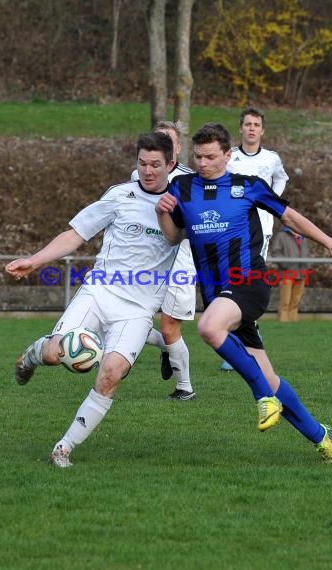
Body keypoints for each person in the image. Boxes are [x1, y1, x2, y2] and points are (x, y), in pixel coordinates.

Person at [156, 122, 332, 464]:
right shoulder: (182, 188)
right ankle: (321, 438)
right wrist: (162, 215)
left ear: (228, 155)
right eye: (198, 156)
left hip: (249, 281)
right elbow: (174, 237)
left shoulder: (248, 186)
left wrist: (330, 243)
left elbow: (290, 217)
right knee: (270, 375)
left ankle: (262, 396)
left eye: (211, 157)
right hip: (217, 293)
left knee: (208, 328)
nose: (202, 163)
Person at [5, 132, 180, 468]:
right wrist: (36, 260)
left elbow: (187, 238)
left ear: (171, 164)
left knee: (111, 373)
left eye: (156, 164)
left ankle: (64, 448)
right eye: (142, 163)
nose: (148, 170)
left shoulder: (180, 204)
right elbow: (76, 234)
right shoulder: (119, 196)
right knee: (56, 354)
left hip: (139, 308)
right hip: (99, 292)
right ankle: (33, 355)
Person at [220, 106, 289, 371]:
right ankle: (237, 339)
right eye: (247, 124)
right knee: (229, 278)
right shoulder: (229, 157)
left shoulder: (271, 159)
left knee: (249, 279)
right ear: (240, 128)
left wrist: (271, 201)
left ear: (262, 130)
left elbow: (282, 179)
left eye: (256, 125)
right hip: (231, 227)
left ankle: (243, 340)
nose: (251, 128)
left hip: (262, 227)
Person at [131, 121, 196, 400]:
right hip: (145, 261)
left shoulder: (192, 181)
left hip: (181, 260)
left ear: (177, 149)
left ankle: (185, 388)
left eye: (168, 142)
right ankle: (164, 349)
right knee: (129, 320)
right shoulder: (139, 177)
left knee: (170, 327)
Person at [271, 226, 310, 322]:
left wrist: (307, 264)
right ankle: (283, 321)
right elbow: (275, 252)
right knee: (285, 300)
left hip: (301, 273)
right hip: (286, 273)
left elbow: (306, 252)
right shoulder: (282, 235)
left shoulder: (303, 237)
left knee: (296, 301)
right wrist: (286, 264)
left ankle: (293, 322)